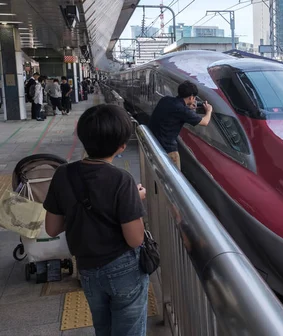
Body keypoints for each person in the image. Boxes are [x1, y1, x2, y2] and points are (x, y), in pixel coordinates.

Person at [43, 104, 148, 336]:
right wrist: (136, 199)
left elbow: (52, 228)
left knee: (104, 329)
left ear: (82, 138)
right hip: (123, 269)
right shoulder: (122, 180)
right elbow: (134, 239)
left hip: (87, 269)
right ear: (122, 146)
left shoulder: (63, 173)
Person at [149, 80, 213, 170]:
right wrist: (209, 111)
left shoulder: (165, 99)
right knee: (174, 177)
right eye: (194, 98)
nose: (194, 100)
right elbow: (204, 122)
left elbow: (174, 111)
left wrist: (187, 107)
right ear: (191, 97)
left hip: (155, 142)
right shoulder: (182, 110)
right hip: (168, 149)